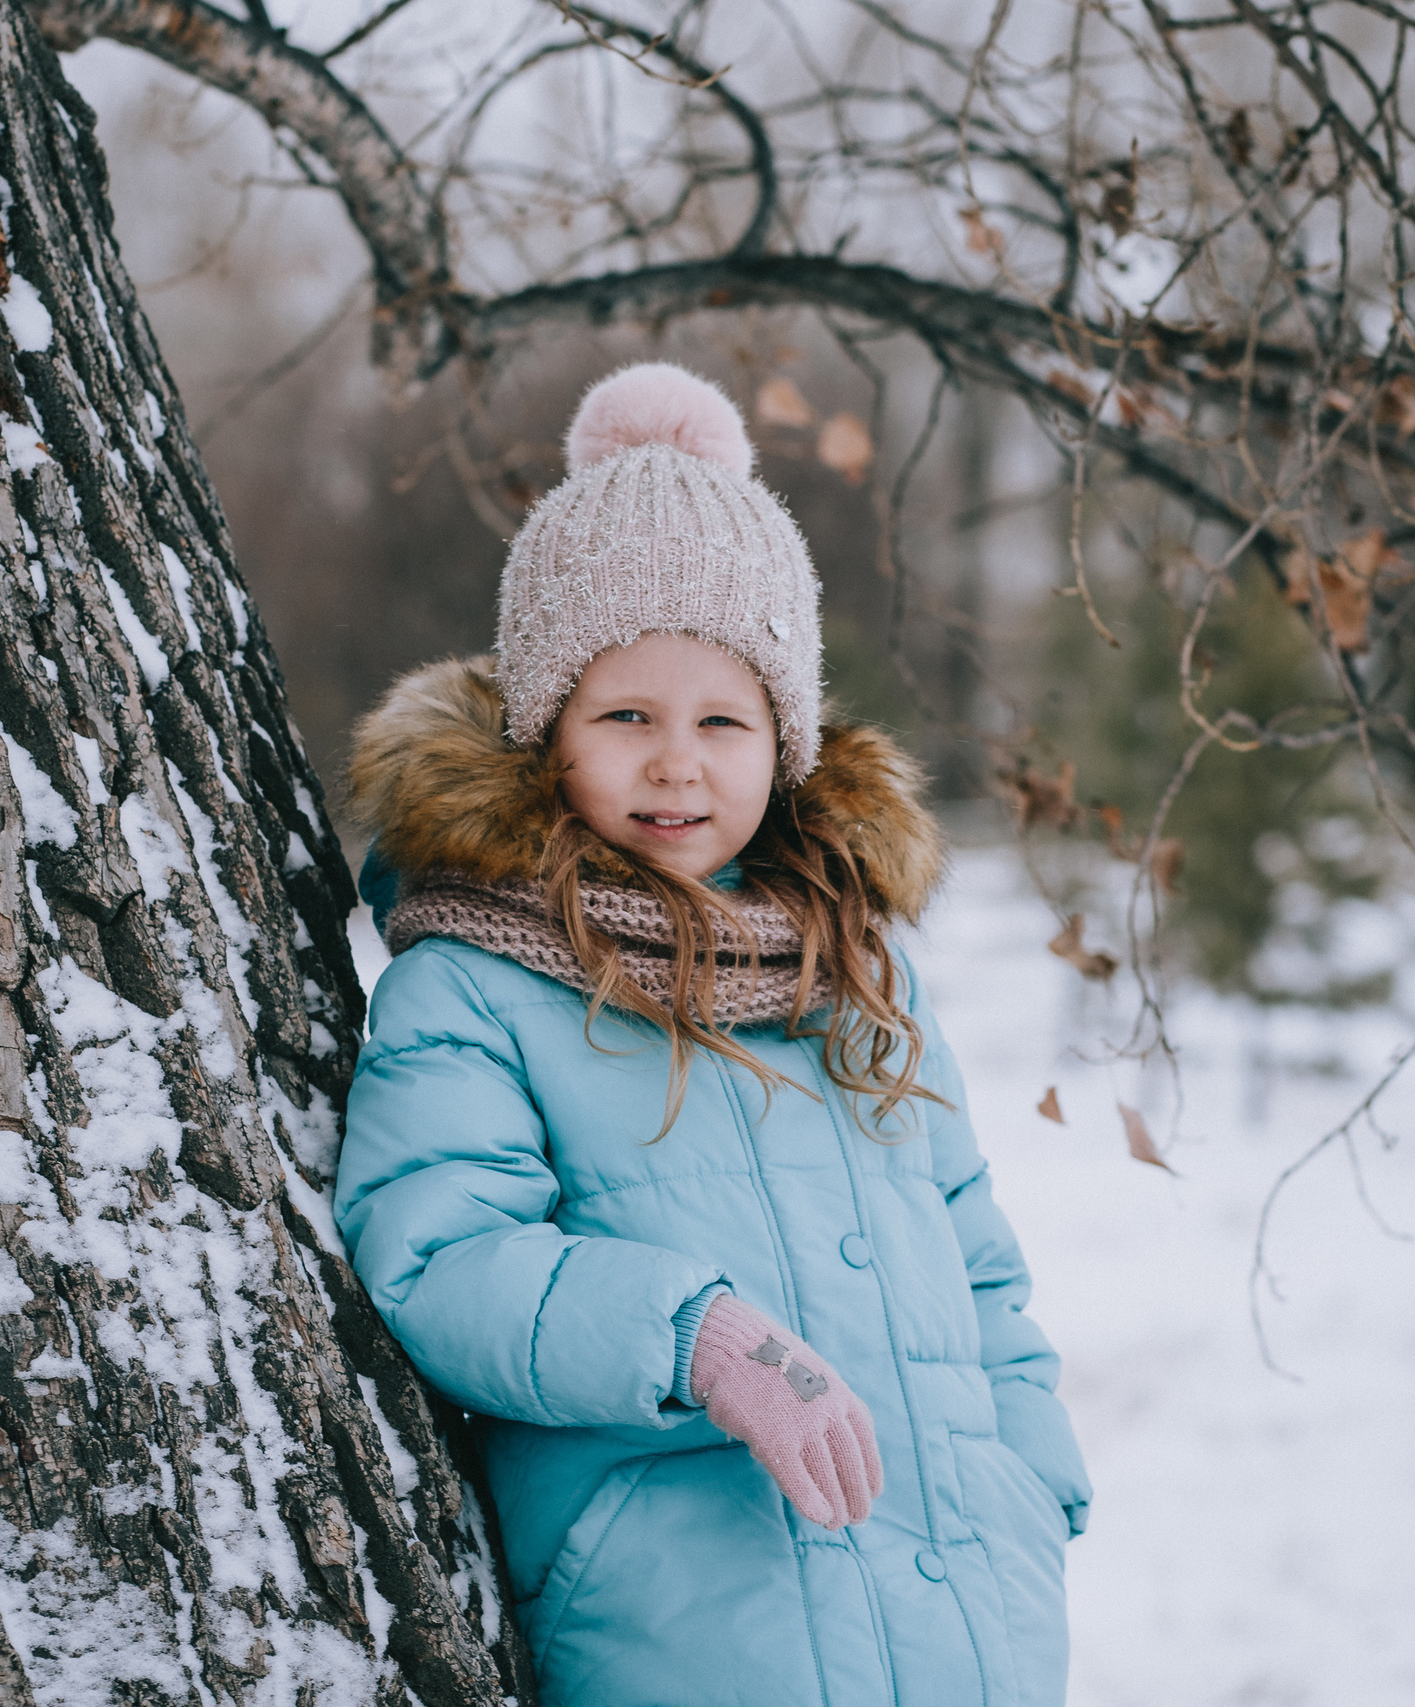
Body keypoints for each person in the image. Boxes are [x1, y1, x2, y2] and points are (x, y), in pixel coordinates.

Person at [335, 361, 1088, 1707]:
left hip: (970, 1616)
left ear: (785, 740)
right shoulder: (474, 979)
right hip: (694, 1628)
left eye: (723, 720)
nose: (677, 760)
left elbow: (976, 1259)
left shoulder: (856, 967)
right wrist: (694, 1337)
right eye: (626, 715)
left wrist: (1032, 1480)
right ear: (547, 729)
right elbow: (441, 1257)